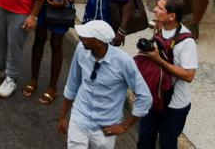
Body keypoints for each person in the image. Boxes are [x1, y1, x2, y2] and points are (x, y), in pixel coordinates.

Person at [58, 20, 153, 149]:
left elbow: (145, 96)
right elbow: (72, 83)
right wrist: (63, 116)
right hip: (79, 119)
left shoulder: (123, 62)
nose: (81, 37)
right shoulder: (81, 49)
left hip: (105, 128)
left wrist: (125, 126)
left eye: (86, 36)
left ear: (98, 42)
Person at [137, 0, 198, 149]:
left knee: (167, 144)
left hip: (174, 105)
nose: (155, 9)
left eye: (160, 8)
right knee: (144, 141)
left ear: (171, 16)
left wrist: (159, 60)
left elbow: (189, 75)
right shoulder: (160, 29)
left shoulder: (187, 42)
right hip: (153, 98)